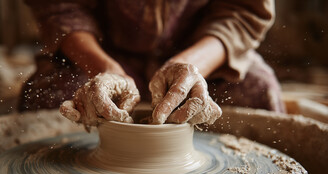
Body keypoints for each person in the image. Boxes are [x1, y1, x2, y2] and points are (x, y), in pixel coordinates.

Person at [18, 0, 285, 126]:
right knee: (48, 98)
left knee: (260, 91)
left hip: (199, 48)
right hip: (103, 48)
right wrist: (104, 69)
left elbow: (242, 11)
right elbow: (59, 7)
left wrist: (189, 66)